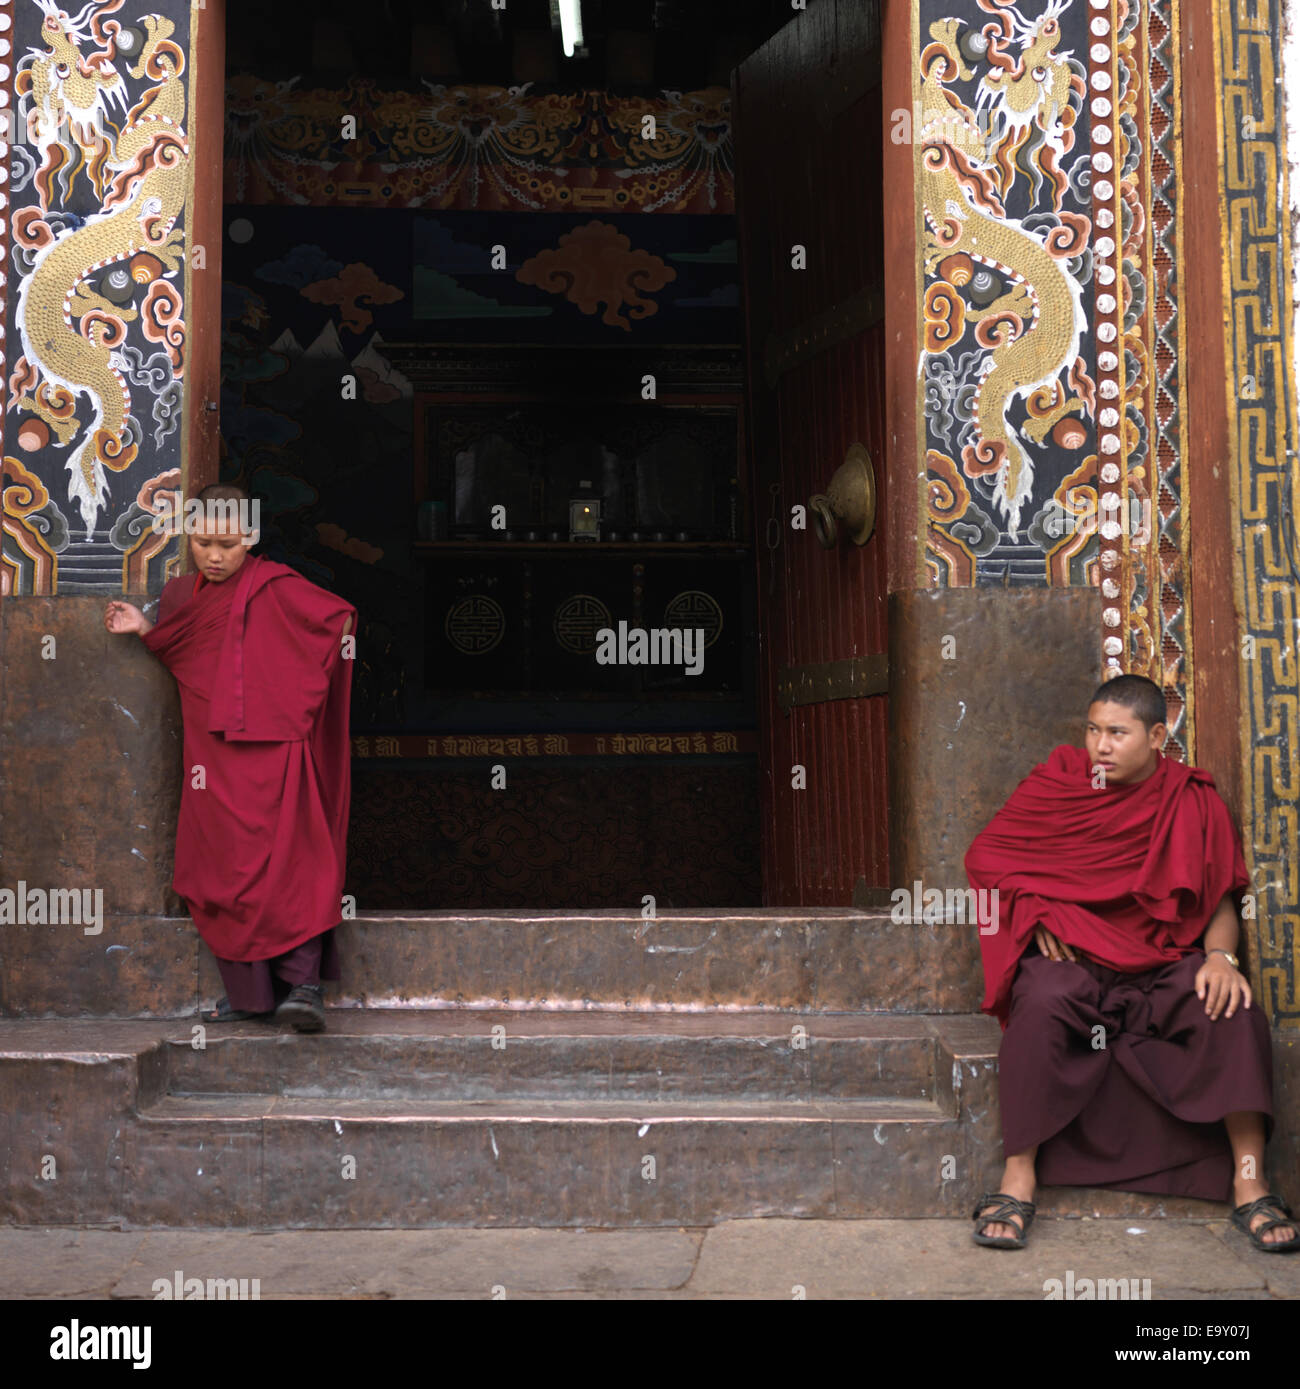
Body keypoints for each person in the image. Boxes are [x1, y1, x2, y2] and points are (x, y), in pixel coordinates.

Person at [963, 674, 1297, 1252]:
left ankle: (1251, 1183)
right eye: (1093, 730)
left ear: (1158, 736)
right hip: (1074, 955)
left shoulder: (1192, 799)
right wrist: (1034, 911)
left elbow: (1219, 897)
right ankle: (1018, 1178)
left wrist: (1220, 957)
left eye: (1118, 733)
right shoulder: (1059, 785)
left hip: (1166, 961)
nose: (1101, 747)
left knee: (1235, 1013)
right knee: (1037, 1004)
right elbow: (986, 857)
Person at [105, 483, 356, 1033]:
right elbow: (191, 655)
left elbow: (338, 623)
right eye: (202, 543)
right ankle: (248, 994)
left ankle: (305, 989)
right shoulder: (178, 598)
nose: (214, 556)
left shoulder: (278, 587)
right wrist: (147, 630)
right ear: (187, 537)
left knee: (294, 864)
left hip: (276, 752)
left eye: (227, 544)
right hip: (211, 762)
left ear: (251, 538)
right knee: (220, 871)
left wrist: (285, 698)